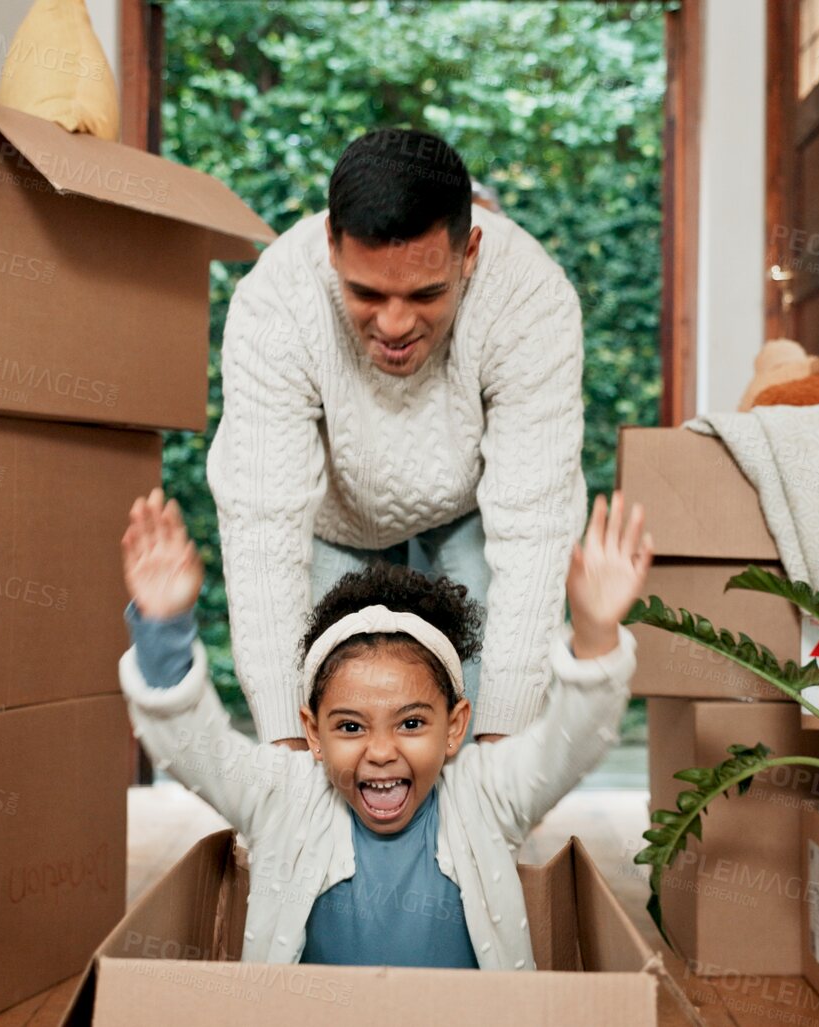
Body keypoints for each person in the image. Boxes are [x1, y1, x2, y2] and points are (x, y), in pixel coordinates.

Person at [117, 488, 651, 968]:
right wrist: (164, 632)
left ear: (455, 726)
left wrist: (597, 634)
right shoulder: (282, 795)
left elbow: (569, 742)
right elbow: (195, 746)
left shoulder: (486, 796)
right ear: (312, 733)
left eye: (412, 723)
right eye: (350, 726)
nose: (380, 751)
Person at [206, 127, 585, 750]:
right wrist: (287, 751)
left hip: (471, 506)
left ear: (469, 255)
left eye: (426, 294)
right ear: (332, 245)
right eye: (367, 293)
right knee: (324, 710)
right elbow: (261, 529)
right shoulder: (275, 301)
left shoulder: (531, 297)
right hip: (338, 515)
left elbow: (535, 525)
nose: (395, 324)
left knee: (489, 713)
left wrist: (500, 759)